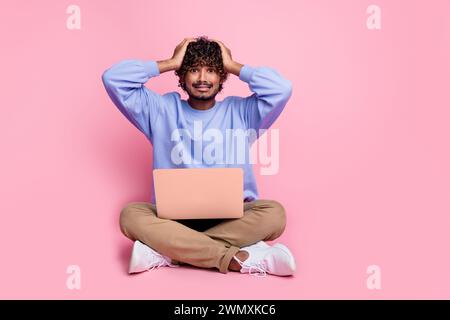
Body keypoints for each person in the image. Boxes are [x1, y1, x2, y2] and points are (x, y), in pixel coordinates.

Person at [102, 36, 296, 277]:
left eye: (212, 71)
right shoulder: (161, 110)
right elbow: (113, 79)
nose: (203, 78)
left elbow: (282, 88)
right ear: (182, 76)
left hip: (232, 219)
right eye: (194, 70)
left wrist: (234, 66)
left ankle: (168, 251)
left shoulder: (243, 113)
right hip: (174, 222)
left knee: (274, 214)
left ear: (222, 76)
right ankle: (238, 258)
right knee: (130, 215)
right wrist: (169, 63)